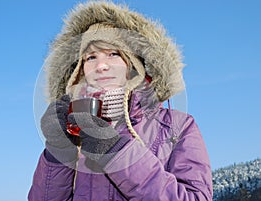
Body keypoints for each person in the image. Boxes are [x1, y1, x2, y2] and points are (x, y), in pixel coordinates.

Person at [28, 1, 213, 200]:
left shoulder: (177, 127)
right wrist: (58, 147)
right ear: (80, 70)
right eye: (90, 57)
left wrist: (116, 151)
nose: (101, 66)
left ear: (133, 65)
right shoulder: (73, 129)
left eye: (113, 54)